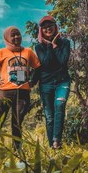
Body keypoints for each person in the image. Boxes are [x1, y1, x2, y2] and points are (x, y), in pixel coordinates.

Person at [0, 26, 40, 153]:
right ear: (7, 38)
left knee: (17, 123)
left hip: (23, 93)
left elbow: (38, 67)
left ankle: (17, 151)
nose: (16, 37)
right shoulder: (1, 52)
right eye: (13, 35)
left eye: (18, 34)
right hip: (4, 93)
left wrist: (33, 82)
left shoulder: (28, 52)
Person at [34, 15, 71, 150]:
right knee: (49, 117)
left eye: (50, 26)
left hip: (62, 81)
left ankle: (57, 141)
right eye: (44, 28)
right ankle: (52, 148)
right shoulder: (39, 47)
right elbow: (46, 63)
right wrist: (50, 46)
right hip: (46, 84)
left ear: (55, 27)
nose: (48, 29)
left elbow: (63, 61)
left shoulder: (65, 43)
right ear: (41, 31)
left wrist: (55, 46)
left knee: (60, 106)